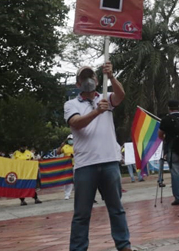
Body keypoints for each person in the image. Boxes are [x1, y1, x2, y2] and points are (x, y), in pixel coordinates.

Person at [63, 63, 131, 251]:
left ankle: (124, 246)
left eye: (91, 77)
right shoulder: (71, 104)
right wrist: (97, 111)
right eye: (84, 78)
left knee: (117, 209)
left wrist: (112, 77)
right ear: (78, 84)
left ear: (97, 80)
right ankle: (78, 248)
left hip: (109, 162)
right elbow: (76, 123)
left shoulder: (105, 98)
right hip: (85, 165)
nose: (88, 81)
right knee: (82, 214)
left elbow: (121, 95)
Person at [57, 134, 75, 200]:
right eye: (69, 140)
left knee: (78, 180)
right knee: (68, 180)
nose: (70, 141)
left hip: (76, 165)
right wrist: (60, 147)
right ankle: (67, 194)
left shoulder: (77, 145)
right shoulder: (65, 147)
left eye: (71, 139)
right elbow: (58, 152)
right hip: (67, 166)